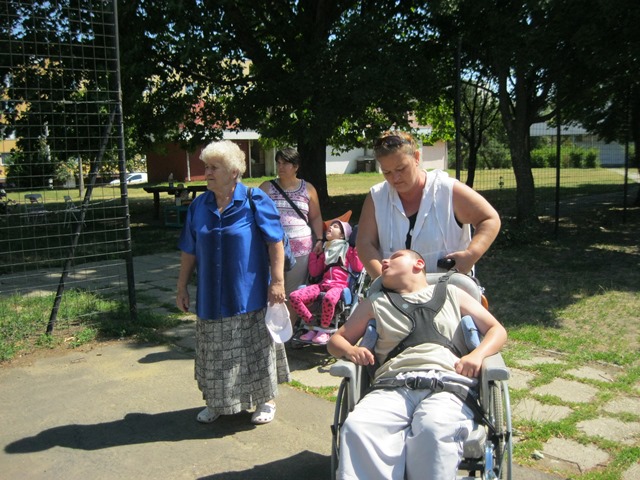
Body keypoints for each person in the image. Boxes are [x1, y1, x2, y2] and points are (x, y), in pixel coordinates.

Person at [327, 249, 507, 480]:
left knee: (434, 428)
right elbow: (335, 341)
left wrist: (477, 355)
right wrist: (351, 350)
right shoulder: (375, 302)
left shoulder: (452, 293)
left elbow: (496, 330)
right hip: (391, 385)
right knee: (359, 427)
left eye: (395, 257)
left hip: (447, 383)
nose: (385, 260)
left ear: (419, 264)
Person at [176, 140, 290, 426]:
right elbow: (189, 249)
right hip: (210, 295)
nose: (207, 173)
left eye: (214, 167)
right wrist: (181, 286)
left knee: (254, 351)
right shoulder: (199, 205)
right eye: (206, 167)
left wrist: (277, 282)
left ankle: (265, 400)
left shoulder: (254, 200)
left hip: (248, 294)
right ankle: (218, 402)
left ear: (234, 172)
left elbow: (275, 242)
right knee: (215, 353)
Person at [357, 130, 501, 277]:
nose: (395, 178)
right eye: (387, 172)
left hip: (449, 287)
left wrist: (471, 254)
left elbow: (489, 219)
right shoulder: (377, 197)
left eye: (401, 169)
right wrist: (383, 280)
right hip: (393, 290)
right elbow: (365, 243)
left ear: (416, 157)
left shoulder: (447, 190)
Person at [259, 148, 324, 321]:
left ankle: (289, 329)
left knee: (294, 292)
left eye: (285, 163)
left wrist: (319, 238)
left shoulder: (308, 189)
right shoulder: (266, 187)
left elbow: (316, 217)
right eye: (278, 163)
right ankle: (271, 328)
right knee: (272, 289)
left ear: (296, 166)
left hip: (301, 249)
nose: (280, 167)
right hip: (272, 249)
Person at [289, 219, 363, 345]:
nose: (330, 227)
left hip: (339, 286)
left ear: (342, 235)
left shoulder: (348, 250)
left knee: (329, 298)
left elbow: (358, 268)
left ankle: (324, 330)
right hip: (323, 285)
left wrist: (356, 249)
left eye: (335, 227)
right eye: (330, 226)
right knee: (294, 296)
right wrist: (315, 255)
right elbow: (314, 273)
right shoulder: (326, 251)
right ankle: (311, 326)